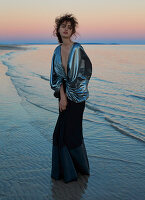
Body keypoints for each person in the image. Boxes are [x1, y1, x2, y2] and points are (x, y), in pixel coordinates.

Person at [50, 13, 92, 183]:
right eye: (63, 26)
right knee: (59, 133)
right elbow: (57, 76)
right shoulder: (56, 51)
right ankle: (64, 171)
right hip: (64, 94)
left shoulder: (78, 49)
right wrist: (62, 96)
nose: (66, 29)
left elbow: (86, 72)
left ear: (72, 31)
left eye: (69, 27)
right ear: (58, 30)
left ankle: (79, 169)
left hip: (78, 96)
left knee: (71, 134)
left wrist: (72, 93)